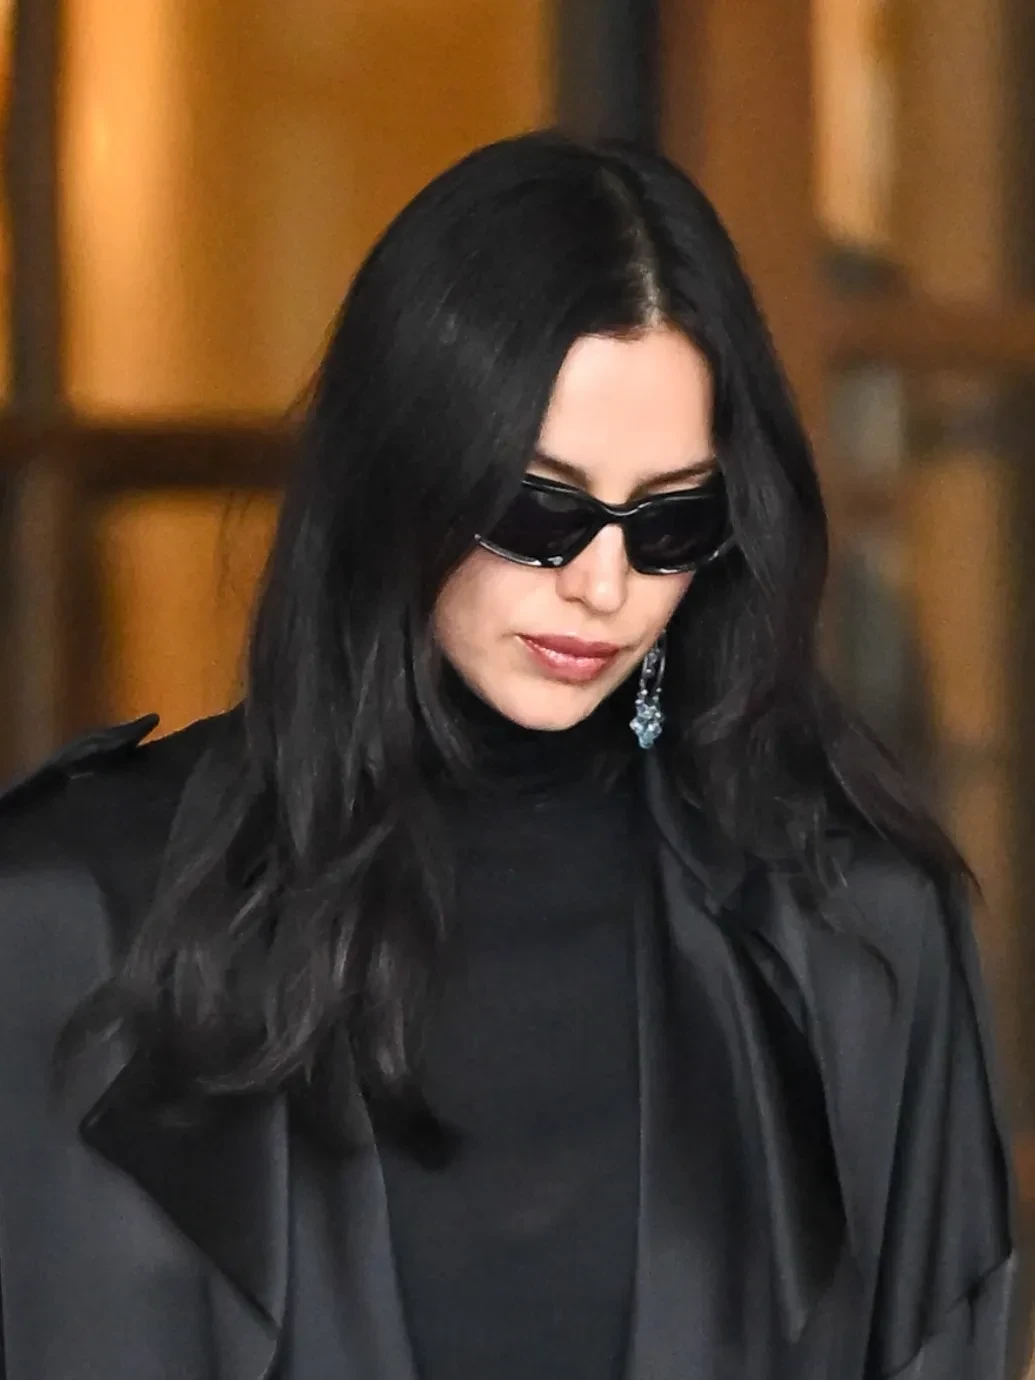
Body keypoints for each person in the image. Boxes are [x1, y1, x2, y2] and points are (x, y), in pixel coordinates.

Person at [0, 132, 1017, 1380]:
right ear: (404, 474)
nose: (603, 584)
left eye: (670, 520)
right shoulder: (68, 918)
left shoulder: (860, 941)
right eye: (543, 508)